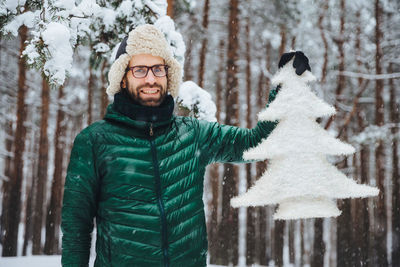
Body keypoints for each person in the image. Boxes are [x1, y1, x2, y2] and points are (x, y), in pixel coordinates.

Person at [61, 24, 279, 267]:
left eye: (158, 69)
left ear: (169, 74)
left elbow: (257, 142)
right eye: (140, 70)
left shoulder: (192, 133)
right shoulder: (93, 141)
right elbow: (75, 230)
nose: (151, 78)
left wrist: (284, 90)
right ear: (122, 78)